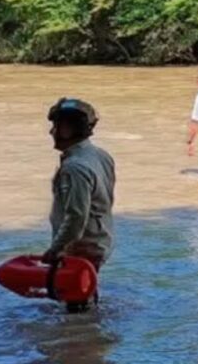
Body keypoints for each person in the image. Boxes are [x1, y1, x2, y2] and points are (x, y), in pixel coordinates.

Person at [42, 97, 116, 312]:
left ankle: (82, 342)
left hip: (82, 247)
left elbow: (76, 217)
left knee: (75, 310)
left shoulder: (74, 168)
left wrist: (55, 250)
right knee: (87, 298)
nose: (51, 132)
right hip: (100, 240)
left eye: (55, 126)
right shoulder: (101, 156)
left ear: (66, 129)